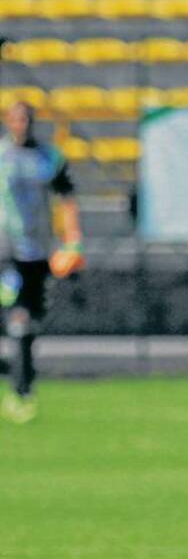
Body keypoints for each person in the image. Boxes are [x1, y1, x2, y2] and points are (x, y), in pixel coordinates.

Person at [0, 101, 85, 423]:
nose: (20, 124)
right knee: (18, 318)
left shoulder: (47, 157)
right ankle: (20, 390)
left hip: (37, 253)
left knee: (31, 321)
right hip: (7, 252)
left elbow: (67, 197)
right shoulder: (1, 155)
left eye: (25, 119)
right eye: (15, 119)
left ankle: (25, 382)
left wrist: (72, 242)